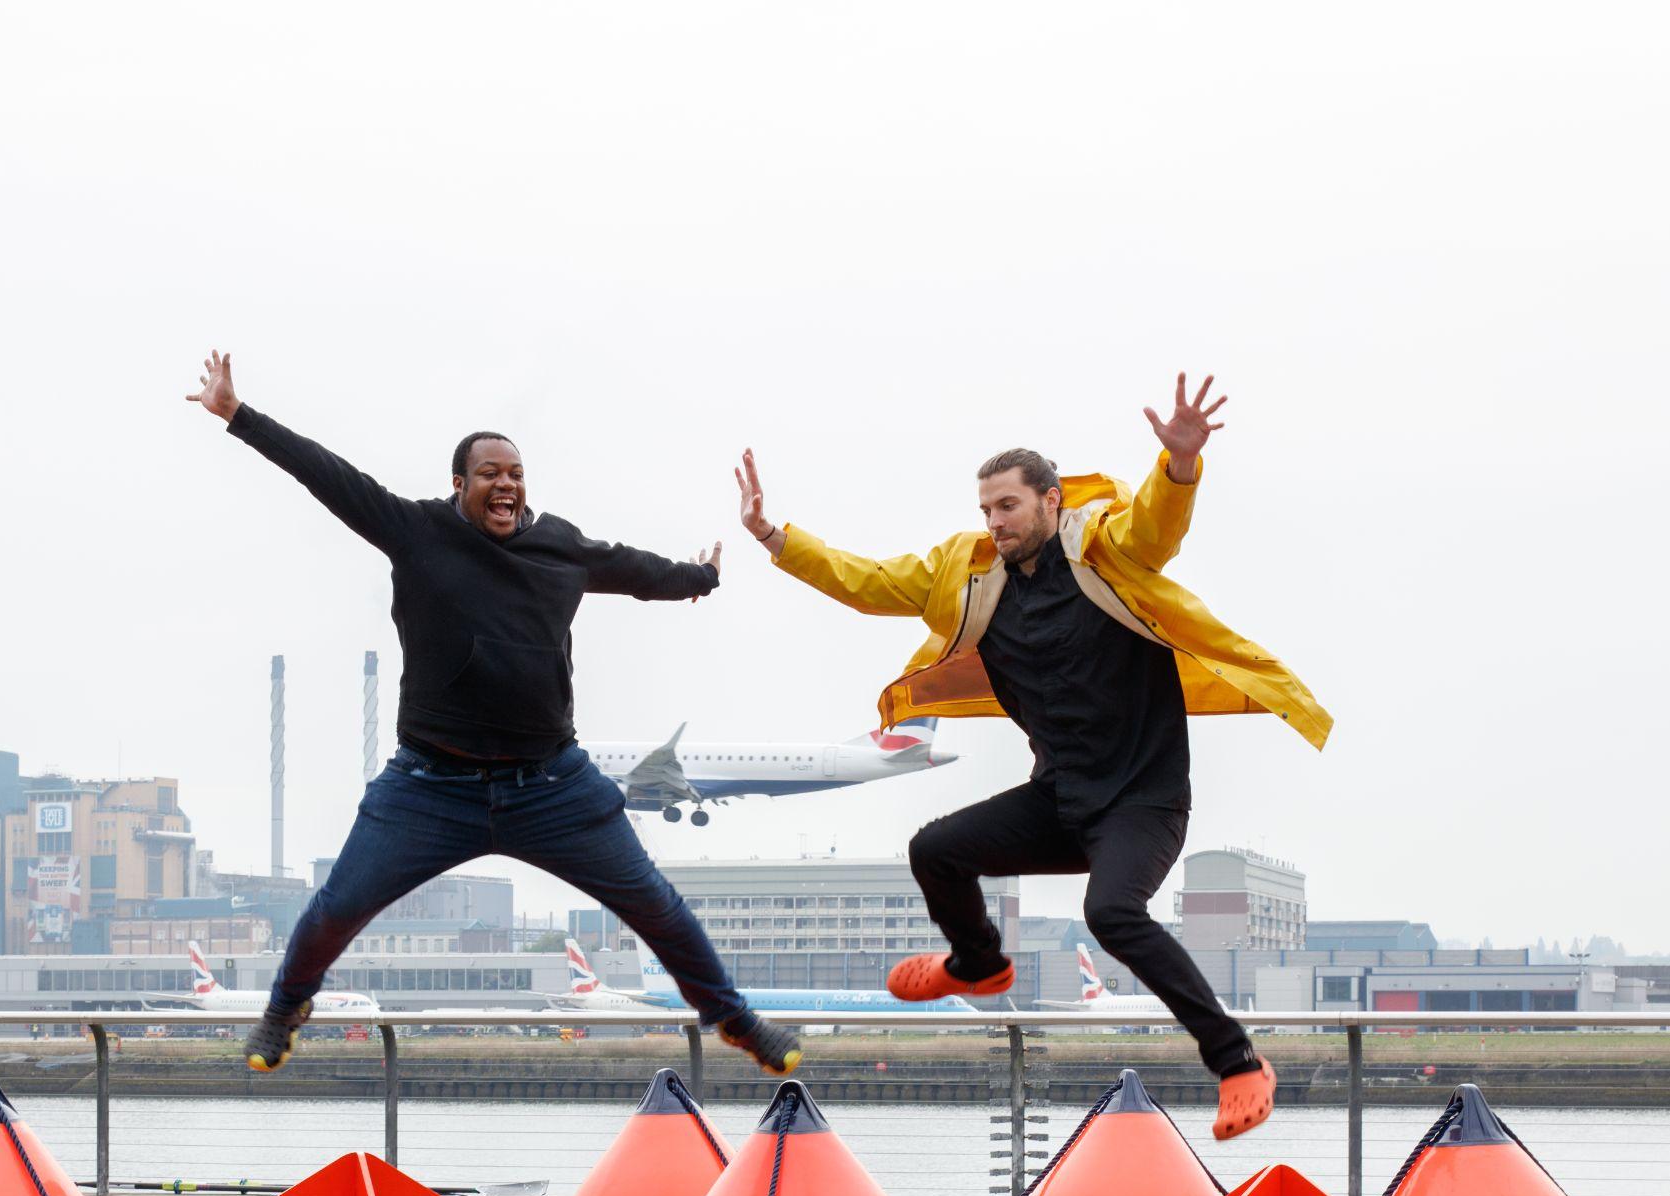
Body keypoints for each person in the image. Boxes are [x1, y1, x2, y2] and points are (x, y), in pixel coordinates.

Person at [734, 375, 1333, 1138]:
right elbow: (870, 584)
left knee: (1112, 912)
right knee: (936, 850)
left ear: (1052, 501)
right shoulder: (969, 573)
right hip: (1059, 800)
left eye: (1008, 506)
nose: (995, 522)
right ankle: (978, 963)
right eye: (985, 509)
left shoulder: (1105, 552)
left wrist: (1179, 464)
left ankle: (1238, 1062)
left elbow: (1157, 525)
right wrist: (774, 539)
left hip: (1142, 802)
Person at [187, 350, 802, 1078]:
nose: (505, 485)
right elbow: (329, 475)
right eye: (490, 474)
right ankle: (284, 1009)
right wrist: (238, 415)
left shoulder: (558, 547)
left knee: (657, 906)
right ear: (459, 486)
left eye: (515, 474)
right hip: (429, 787)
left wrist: (699, 578)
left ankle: (734, 1018)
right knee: (333, 909)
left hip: (552, 787)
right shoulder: (416, 531)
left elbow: (635, 570)